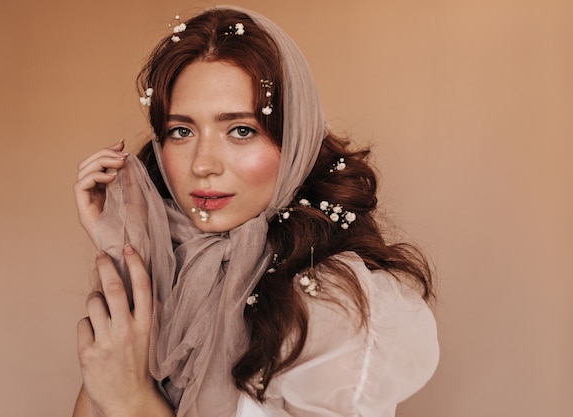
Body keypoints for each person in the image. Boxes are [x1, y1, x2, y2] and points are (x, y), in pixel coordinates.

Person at [72, 6, 439, 417]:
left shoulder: (336, 302)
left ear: (293, 138)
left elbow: (118, 398)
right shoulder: (171, 265)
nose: (202, 164)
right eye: (182, 131)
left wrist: (133, 401)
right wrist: (129, 253)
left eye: (241, 131)